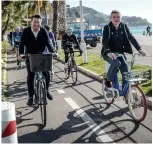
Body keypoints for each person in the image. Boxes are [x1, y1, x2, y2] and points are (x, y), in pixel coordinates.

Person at [101, 10, 146, 91]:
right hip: (108, 53)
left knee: (126, 71)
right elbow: (104, 41)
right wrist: (109, 52)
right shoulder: (107, 28)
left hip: (120, 53)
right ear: (111, 18)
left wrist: (139, 49)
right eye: (114, 17)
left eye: (118, 17)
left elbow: (131, 38)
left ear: (120, 18)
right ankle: (108, 80)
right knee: (117, 63)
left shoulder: (124, 27)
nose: (116, 19)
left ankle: (125, 92)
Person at [19, 15, 58, 106]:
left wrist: (53, 51)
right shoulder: (26, 31)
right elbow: (22, 43)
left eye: (38, 22)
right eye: (35, 22)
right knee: (31, 76)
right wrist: (21, 54)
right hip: (30, 55)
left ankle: (47, 90)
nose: (37, 24)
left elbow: (48, 42)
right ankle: (30, 96)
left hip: (42, 54)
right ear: (31, 22)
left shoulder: (43, 30)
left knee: (47, 73)